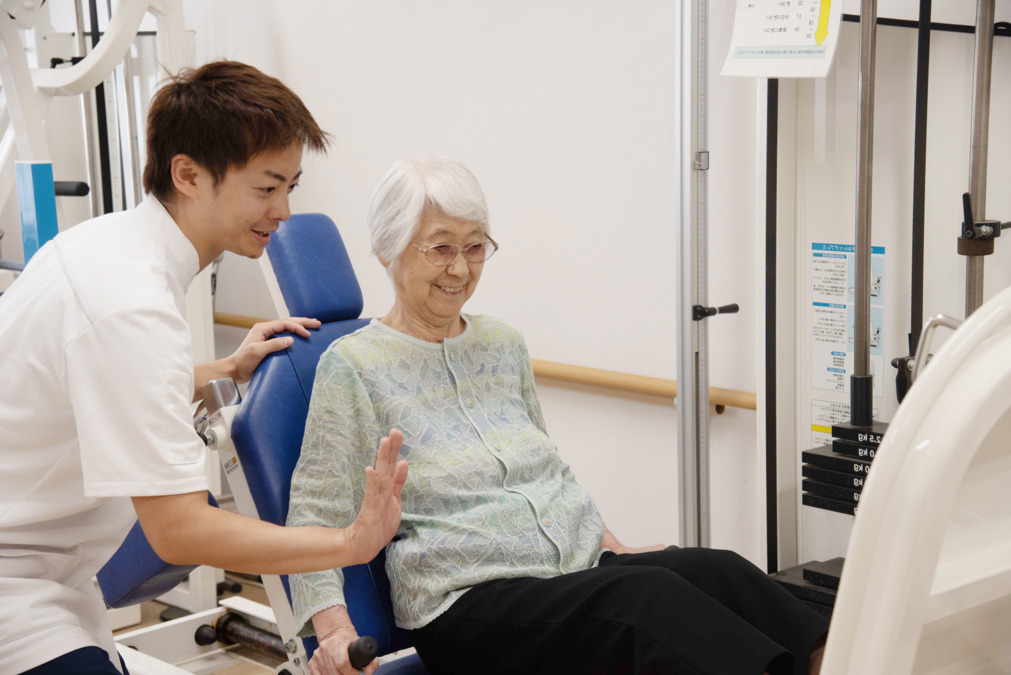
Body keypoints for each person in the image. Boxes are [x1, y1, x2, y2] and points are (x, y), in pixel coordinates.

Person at [286, 153, 829, 675]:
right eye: (440, 248)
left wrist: (610, 542)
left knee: (719, 570)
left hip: (572, 572)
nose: (460, 268)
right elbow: (316, 509)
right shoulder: (353, 365)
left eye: (475, 247)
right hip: (469, 604)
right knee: (647, 600)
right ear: (389, 251)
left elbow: (545, 468)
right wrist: (331, 631)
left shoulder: (502, 343)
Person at [0, 61, 407, 675]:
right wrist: (349, 543)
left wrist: (226, 366)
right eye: (267, 188)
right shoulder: (130, 303)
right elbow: (179, 531)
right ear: (188, 174)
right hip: (14, 577)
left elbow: (99, 386)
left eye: (291, 187)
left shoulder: (105, 244)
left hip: (52, 566)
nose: (284, 211)